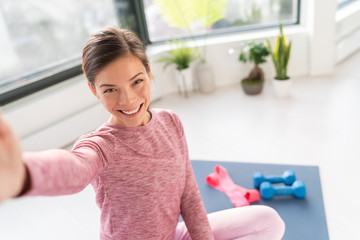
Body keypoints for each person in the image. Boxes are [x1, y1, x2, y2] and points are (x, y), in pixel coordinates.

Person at [0, 27, 285, 240]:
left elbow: (188, 193)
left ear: (149, 72)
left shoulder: (171, 121)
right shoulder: (100, 147)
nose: (128, 100)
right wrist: (23, 174)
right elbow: (75, 169)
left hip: (173, 234)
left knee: (268, 221)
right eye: (110, 90)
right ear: (93, 90)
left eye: (137, 81)